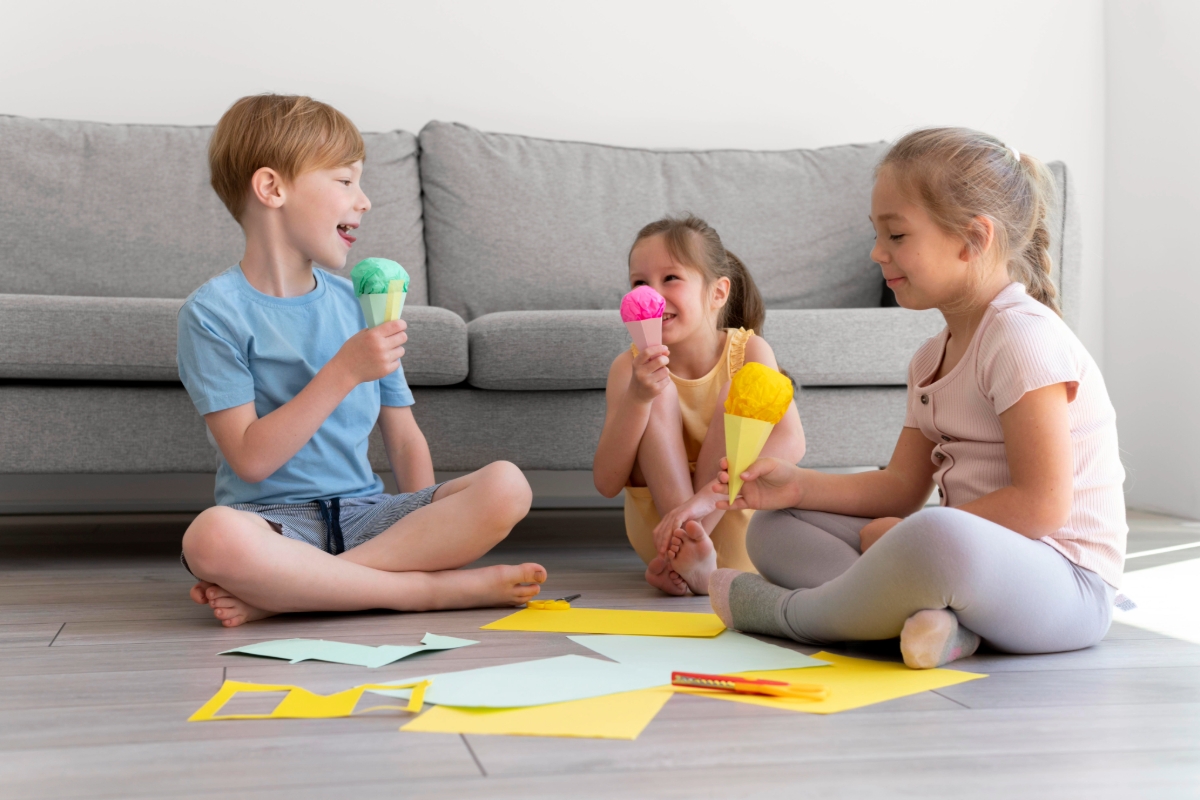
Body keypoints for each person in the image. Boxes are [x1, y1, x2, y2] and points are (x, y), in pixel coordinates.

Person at [705, 128, 1126, 668]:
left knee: (935, 533)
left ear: (973, 239)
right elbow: (902, 486)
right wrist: (798, 485)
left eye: (897, 235)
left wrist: (907, 536)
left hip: (1067, 583)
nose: (877, 252)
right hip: (963, 564)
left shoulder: (1023, 338)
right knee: (776, 527)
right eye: (877, 234)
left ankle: (793, 616)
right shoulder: (930, 358)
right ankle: (937, 627)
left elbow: (1041, 505)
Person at [178, 94, 545, 627]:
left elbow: (404, 438)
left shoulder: (360, 303)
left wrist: (427, 524)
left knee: (508, 484)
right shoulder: (212, 313)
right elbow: (251, 461)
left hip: (367, 516)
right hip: (273, 524)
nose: (364, 201)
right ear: (272, 188)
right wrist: (344, 370)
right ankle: (422, 592)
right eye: (345, 181)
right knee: (211, 537)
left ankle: (296, 592)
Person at [593, 215, 806, 596]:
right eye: (640, 283)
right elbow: (607, 482)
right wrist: (638, 398)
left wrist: (706, 499)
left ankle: (690, 551)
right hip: (661, 537)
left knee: (738, 391)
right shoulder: (628, 368)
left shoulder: (751, 352)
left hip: (737, 530)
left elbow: (793, 443)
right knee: (657, 394)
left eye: (670, 278)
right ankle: (690, 554)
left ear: (718, 293)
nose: (653, 294)